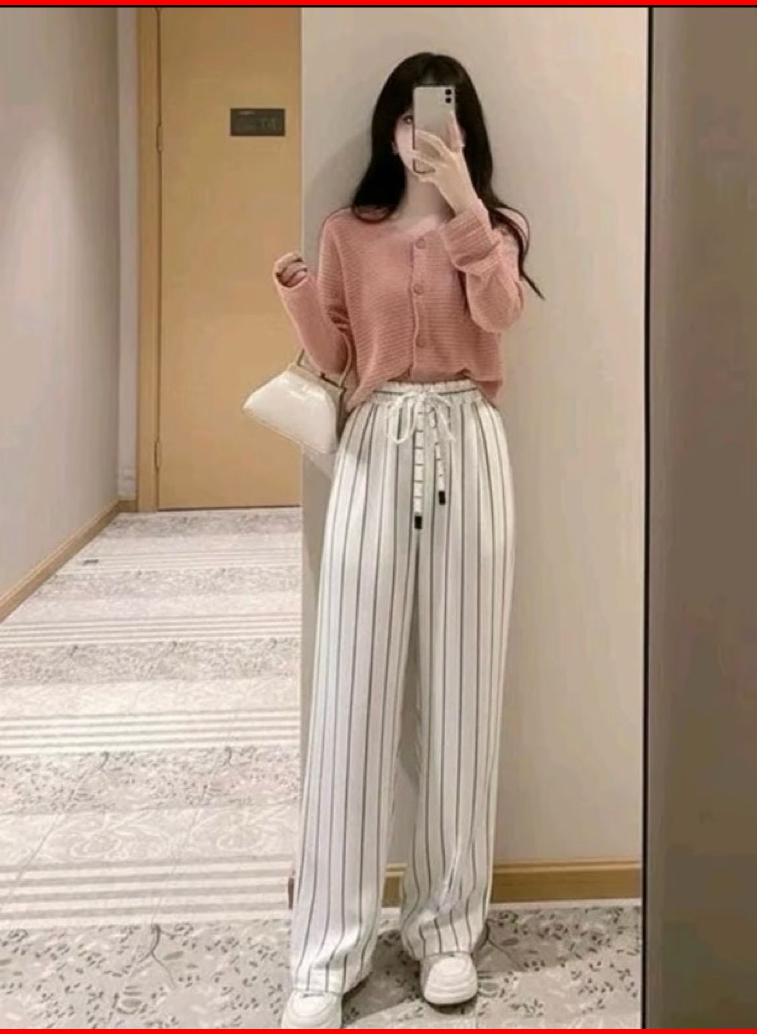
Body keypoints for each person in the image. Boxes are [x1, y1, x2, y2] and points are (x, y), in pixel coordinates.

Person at [272, 52, 539, 1029]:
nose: (423, 131)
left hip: (469, 441)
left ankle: (446, 930)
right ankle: (328, 949)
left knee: (464, 696)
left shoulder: (495, 228)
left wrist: (464, 202)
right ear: (388, 125)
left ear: (463, 128)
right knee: (352, 690)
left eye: (442, 115)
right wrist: (301, 293)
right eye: (411, 115)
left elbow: (501, 314)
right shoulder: (350, 230)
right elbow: (339, 356)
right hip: (377, 444)